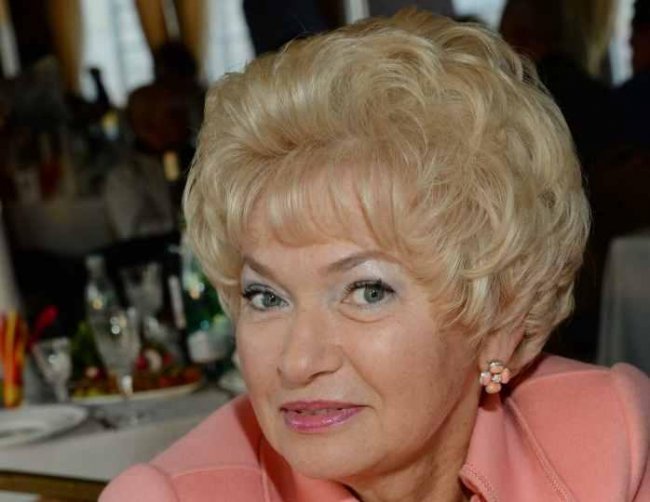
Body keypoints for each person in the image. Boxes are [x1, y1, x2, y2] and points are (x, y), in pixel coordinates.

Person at [100, 10, 650, 501]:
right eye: (266, 297)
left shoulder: (614, 438)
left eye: (367, 291)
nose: (297, 361)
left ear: (498, 320)